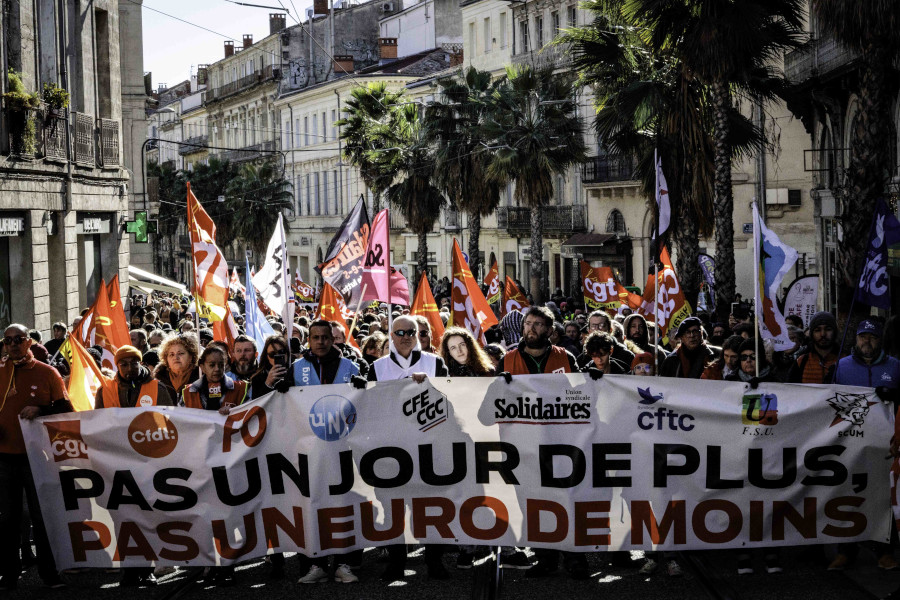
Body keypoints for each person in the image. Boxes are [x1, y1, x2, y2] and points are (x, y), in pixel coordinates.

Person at [500, 307, 585, 579]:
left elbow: (583, 393)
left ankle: (574, 558)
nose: (531, 328)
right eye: (528, 323)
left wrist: (594, 380)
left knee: (567, 501)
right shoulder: (507, 360)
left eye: (538, 324)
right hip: (524, 447)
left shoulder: (566, 357)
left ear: (550, 330)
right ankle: (545, 557)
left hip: (562, 445)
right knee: (535, 503)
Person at [368, 316, 448, 581]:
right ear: (391, 335)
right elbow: (368, 406)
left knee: (431, 506)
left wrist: (432, 385)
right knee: (393, 507)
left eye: (411, 332)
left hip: (428, 447)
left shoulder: (435, 363)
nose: (406, 337)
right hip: (391, 449)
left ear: (418, 334)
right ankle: (396, 561)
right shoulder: (377, 367)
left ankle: (434, 560)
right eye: (400, 332)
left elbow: (452, 400)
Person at [0, 324, 72, 590]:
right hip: (4, 458)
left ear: (29, 342)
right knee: (7, 519)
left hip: (37, 458)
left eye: (18, 339)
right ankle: (9, 574)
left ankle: (49, 574)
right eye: (7, 340)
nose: (12, 344)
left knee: (42, 517)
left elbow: (66, 410)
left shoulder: (47, 372)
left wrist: (41, 410)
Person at [291, 320, 363, 584]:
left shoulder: (351, 367)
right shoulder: (296, 368)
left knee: (345, 505)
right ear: (308, 340)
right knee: (312, 506)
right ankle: (316, 564)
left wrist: (364, 386)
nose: (320, 342)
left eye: (325, 337)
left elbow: (367, 405)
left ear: (333, 340)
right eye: (315, 337)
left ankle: (345, 562)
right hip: (309, 452)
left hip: (343, 450)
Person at [829, 317, 900, 572]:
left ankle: (885, 552)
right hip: (851, 444)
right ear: (856, 339)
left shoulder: (895, 366)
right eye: (862, 337)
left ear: (880, 340)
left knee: (884, 497)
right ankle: (845, 551)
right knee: (848, 494)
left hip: (885, 445)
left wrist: (895, 395)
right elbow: (824, 400)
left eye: (872, 337)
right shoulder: (841, 366)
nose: (866, 342)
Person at [96, 346, 175, 409]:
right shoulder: (104, 391)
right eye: (124, 365)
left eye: (134, 363)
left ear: (140, 363)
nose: (130, 368)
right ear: (117, 367)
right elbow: (98, 421)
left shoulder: (158, 388)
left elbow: (169, 419)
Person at [182, 346, 249, 411]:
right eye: (212, 365)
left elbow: (249, 414)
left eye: (221, 365)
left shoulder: (240, 389)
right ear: (202, 367)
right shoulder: (188, 393)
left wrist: (234, 411)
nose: (217, 369)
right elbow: (180, 416)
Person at [787, 311, 841, 384]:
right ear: (811, 334)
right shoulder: (801, 361)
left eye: (828, 329)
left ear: (835, 332)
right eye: (817, 330)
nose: (823, 334)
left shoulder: (845, 359)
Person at [154, 334, 200, 399]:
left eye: (181, 353)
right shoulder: (159, 380)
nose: (176, 357)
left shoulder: (201, 377)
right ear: (166, 359)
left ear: (191, 357)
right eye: (171, 354)